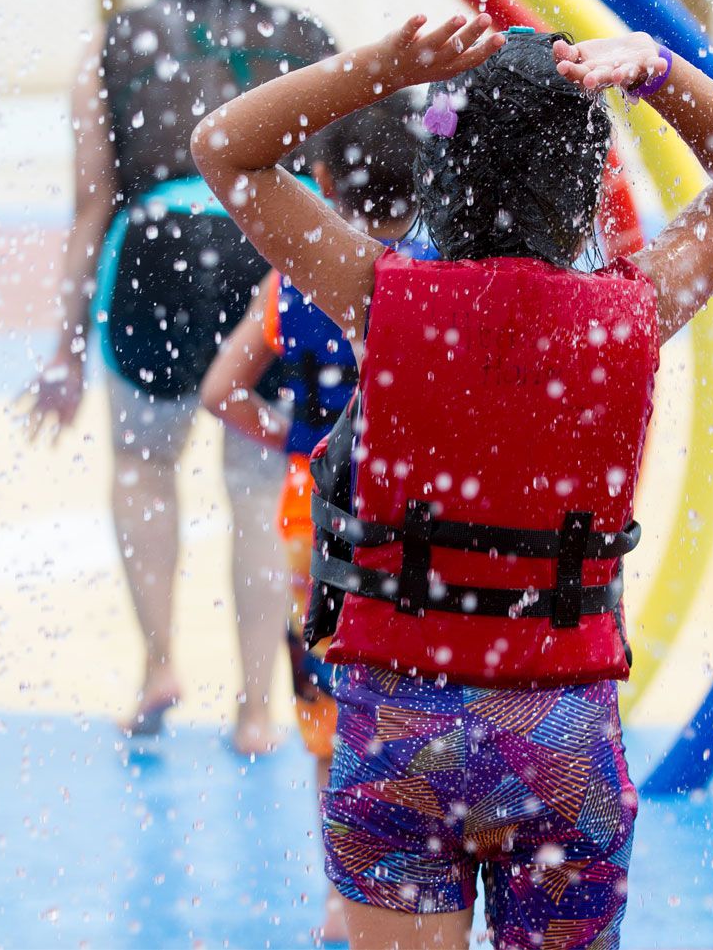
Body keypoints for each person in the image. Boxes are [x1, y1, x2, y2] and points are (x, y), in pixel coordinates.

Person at [192, 14, 713, 947]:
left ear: (446, 164)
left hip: (401, 720)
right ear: (590, 178)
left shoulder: (382, 299)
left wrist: (375, 68)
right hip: (555, 733)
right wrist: (658, 72)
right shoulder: (629, 316)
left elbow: (226, 150)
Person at [23, 0, 336, 752]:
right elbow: (340, 184)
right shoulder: (302, 37)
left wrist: (62, 351)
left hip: (156, 253)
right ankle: (257, 708)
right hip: (266, 247)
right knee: (260, 486)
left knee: (140, 465)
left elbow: (92, 204)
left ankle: (159, 664)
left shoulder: (112, 42)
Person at [199, 92, 425, 942]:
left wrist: (300, 438)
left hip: (319, 517)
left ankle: (343, 890)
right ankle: (423, 869)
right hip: (421, 517)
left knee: (330, 688)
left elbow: (222, 391)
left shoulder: (295, 276)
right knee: (415, 685)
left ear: (323, 180)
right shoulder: (439, 268)